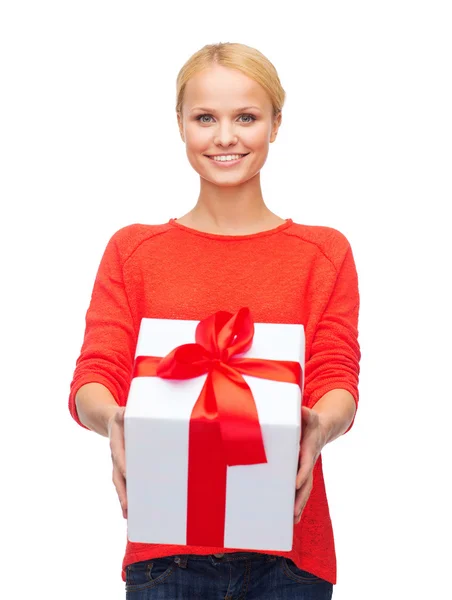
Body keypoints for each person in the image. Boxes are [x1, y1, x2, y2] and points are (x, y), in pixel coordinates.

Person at [69, 42, 361, 599]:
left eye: (246, 117)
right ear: (180, 124)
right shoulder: (135, 251)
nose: (225, 137)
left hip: (292, 557)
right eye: (205, 118)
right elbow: (97, 370)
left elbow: (336, 375)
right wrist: (115, 421)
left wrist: (319, 427)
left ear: (276, 124)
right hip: (165, 558)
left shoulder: (322, 254)